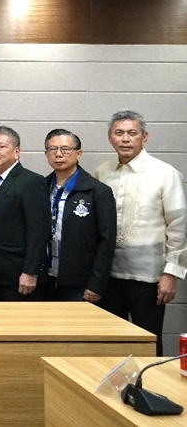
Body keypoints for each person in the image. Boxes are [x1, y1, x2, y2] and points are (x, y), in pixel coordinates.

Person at [95, 110, 186, 356]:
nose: (126, 139)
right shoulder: (102, 173)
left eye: (132, 133)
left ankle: (151, 391)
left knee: (148, 340)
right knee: (112, 342)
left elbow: (178, 228)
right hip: (109, 276)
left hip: (150, 278)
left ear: (144, 137)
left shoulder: (165, 174)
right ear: (110, 138)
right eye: (119, 133)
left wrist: (171, 274)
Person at [0, 126, 51, 301]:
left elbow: (39, 232)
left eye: (1, 146)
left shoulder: (31, 181)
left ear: (17, 151)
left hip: (19, 276)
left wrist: (30, 272)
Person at [42, 128, 116, 302]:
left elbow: (107, 241)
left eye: (66, 149)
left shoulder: (98, 191)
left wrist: (96, 284)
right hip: (45, 279)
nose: (59, 154)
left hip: (79, 283)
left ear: (79, 153)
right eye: (53, 150)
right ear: (46, 154)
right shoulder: (41, 187)